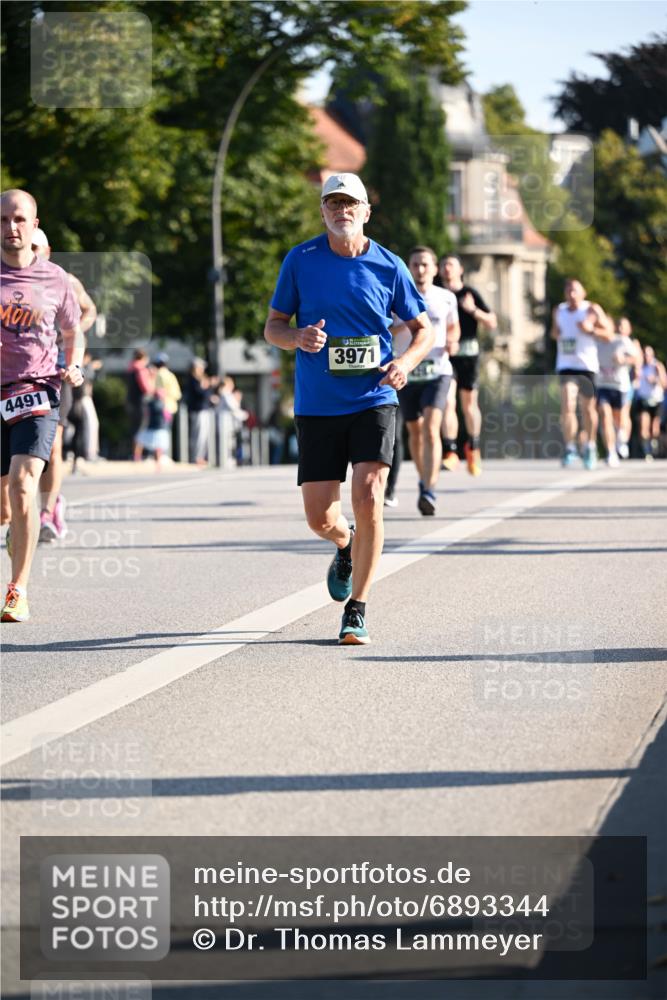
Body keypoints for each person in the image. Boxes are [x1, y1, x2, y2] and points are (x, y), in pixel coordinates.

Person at [264, 172, 433, 645]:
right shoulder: (301, 260)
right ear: (322, 212)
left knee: (370, 491)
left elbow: (424, 331)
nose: (341, 211)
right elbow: (272, 326)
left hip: (375, 397)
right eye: (332, 204)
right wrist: (296, 337)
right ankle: (345, 543)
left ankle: (357, 607)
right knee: (320, 517)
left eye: (350, 204)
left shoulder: (389, 265)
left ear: (365, 212)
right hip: (318, 404)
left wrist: (404, 362)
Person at [0, 189, 83, 622]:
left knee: (23, 483)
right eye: (2, 220)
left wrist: (76, 365)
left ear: (34, 225)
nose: (10, 228)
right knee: (4, 506)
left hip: (37, 391)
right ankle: (16, 529)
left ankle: (18, 590)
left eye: (18, 219)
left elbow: (74, 329)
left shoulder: (55, 279)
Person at [29, 229, 97, 541]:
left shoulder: (64, 280)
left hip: (57, 369)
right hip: (18, 373)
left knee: (53, 445)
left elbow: (89, 310)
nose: (31, 252)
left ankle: (47, 512)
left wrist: (71, 331)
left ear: (48, 249)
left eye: (36, 247)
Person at [390, 246, 459, 515]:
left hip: (438, 371)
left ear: (434, 269)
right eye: (415, 264)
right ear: (409, 268)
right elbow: (387, 330)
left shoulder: (446, 298)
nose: (420, 270)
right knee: (415, 432)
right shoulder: (398, 296)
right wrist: (409, 324)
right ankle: (423, 479)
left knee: (431, 427)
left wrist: (452, 340)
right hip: (407, 370)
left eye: (425, 264)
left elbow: (453, 327)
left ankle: (429, 490)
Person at [439, 254, 497, 476]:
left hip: (469, 355)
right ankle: (450, 451)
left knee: (468, 405)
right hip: (446, 354)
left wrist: (473, 310)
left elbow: (492, 322)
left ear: (460, 269)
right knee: (447, 402)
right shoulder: (438, 295)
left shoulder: (470, 293)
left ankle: (473, 447)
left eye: (450, 265)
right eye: (443, 265)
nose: (446, 269)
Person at [551, 278, 613, 470]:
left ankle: (590, 446)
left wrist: (591, 329)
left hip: (587, 365)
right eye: (568, 290)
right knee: (568, 404)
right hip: (566, 365)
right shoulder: (558, 311)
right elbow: (554, 333)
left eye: (575, 290)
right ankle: (570, 447)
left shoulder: (592, 309)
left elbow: (609, 334)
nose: (571, 294)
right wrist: (557, 335)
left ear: (583, 293)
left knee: (587, 409)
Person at [595, 318, 642, 466]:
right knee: (604, 415)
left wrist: (624, 360)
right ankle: (611, 452)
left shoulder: (622, 341)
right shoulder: (596, 342)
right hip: (602, 385)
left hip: (620, 386)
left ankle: (622, 439)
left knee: (620, 418)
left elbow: (636, 358)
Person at [636, 344, 667, 461]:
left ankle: (654, 445)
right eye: (645, 354)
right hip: (643, 399)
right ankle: (646, 451)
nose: (646, 356)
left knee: (654, 428)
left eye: (649, 354)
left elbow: (664, 384)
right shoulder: (640, 367)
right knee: (644, 426)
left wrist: (655, 379)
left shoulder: (657, 366)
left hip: (657, 400)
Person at [186, 357, 217, 466]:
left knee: (204, 435)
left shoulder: (200, 379)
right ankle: (196, 457)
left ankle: (201, 457)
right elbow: (200, 393)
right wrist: (208, 385)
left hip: (205, 409)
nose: (202, 369)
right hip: (198, 410)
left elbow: (206, 394)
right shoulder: (193, 380)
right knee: (198, 435)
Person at [127, 349, 154, 460]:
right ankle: (137, 455)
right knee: (141, 429)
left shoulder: (130, 368)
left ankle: (135, 454)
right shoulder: (141, 370)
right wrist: (152, 377)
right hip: (140, 403)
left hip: (131, 401)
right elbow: (147, 389)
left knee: (134, 428)